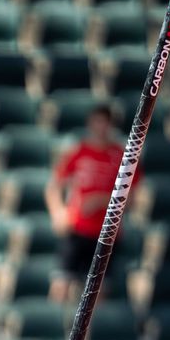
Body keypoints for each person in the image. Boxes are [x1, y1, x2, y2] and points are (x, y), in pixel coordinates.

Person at [45, 104, 126, 304]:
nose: (100, 127)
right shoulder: (79, 152)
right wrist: (58, 213)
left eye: (105, 122)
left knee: (97, 292)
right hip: (77, 228)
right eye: (97, 122)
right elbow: (54, 186)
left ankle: (89, 334)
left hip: (106, 233)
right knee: (61, 284)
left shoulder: (120, 156)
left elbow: (130, 196)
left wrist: (101, 200)